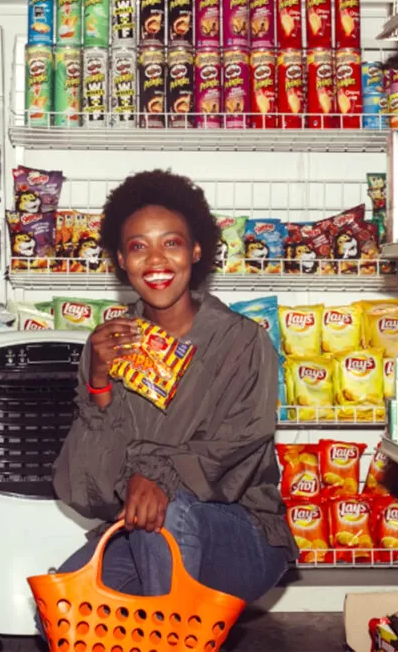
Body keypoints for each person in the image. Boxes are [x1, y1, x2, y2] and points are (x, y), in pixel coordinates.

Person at [52, 170, 296, 603]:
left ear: (196, 249)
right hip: (144, 530)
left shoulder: (241, 341)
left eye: (172, 242)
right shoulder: (109, 346)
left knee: (162, 516)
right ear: (122, 261)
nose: (156, 260)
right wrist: (99, 384)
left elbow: (236, 446)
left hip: (242, 535)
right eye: (138, 247)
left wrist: (157, 476)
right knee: (63, 606)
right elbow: (86, 488)